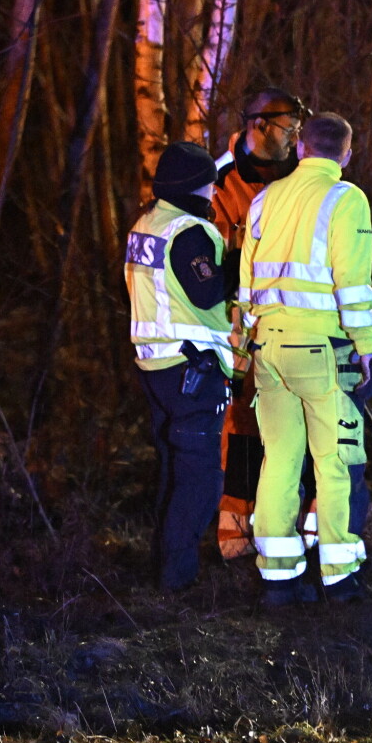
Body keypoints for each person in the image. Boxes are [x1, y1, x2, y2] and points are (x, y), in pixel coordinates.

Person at [237, 112, 372, 606]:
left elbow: (246, 281)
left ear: (299, 149)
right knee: (335, 459)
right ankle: (338, 574)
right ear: (347, 153)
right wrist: (366, 347)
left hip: (267, 347)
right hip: (321, 349)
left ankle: (278, 573)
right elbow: (353, 284)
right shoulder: (346, 199)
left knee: (279, 458)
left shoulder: (263, 199)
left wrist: (246, 342)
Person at [124, 141, 233, 591]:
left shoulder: (147, 223)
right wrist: (240, 266)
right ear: (197, 186)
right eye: (211, 185)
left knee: (173, 468)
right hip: (192, 369)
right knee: (200, 476)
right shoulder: (190, 232)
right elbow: (207, 293)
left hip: (155, 368)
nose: (213, 194)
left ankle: (164, 566)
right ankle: (178, 580)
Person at [211, 87, 311, 561]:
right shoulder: (219, 184)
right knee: (242, 435)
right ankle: (234, 541)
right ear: (259, 126)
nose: (295, 139)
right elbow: (207, 268)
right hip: (240, 335)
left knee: (295, 434)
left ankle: (290, 536)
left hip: (292, 330)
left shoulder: (301, 178)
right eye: (289, 129)